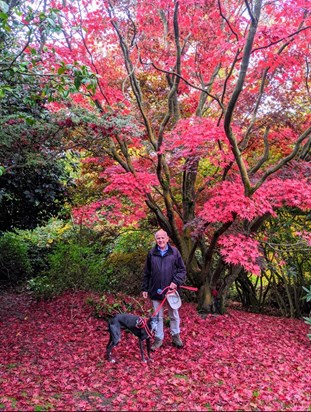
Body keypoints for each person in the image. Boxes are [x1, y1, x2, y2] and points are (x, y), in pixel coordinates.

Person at [142, 229, 187, 350]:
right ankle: (158, 338)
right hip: (155, 290)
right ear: (155, 240)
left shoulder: (174, 252)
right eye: (158, 238)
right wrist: (145, 288)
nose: (160, 240)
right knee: (158, 316)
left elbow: (182, 270)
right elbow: (147, 272)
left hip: (171, 291)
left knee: (174, 314)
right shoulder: (152, 253)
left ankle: (175, 336)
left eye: (163, 238)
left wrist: (175, 282)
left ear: (167, 239)